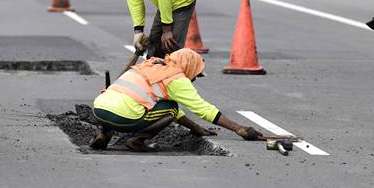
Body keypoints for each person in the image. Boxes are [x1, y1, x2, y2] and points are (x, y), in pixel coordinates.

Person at [90, 48, 264, 152]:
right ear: (190, 67)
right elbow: (202, 109)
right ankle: (137, 140)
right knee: (171, 108)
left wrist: (195, 127)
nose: (194, 79)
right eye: (195, 74)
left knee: (136, 105)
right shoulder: (176, 78)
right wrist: (240, 129)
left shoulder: (152, 64)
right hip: (123, 116)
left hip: (99, 109)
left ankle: (103, 133)